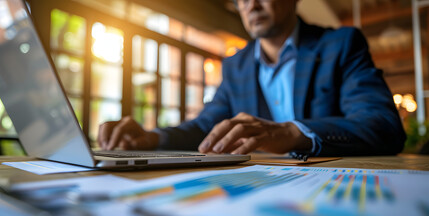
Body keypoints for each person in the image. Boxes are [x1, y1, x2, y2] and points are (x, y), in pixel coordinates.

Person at [98, 0, 406, 157]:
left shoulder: (341, 45)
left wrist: (293, 132)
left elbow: (383, 125)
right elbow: (205, 128)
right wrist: (151, 138)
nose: (251, 4)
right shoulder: (236, 65)